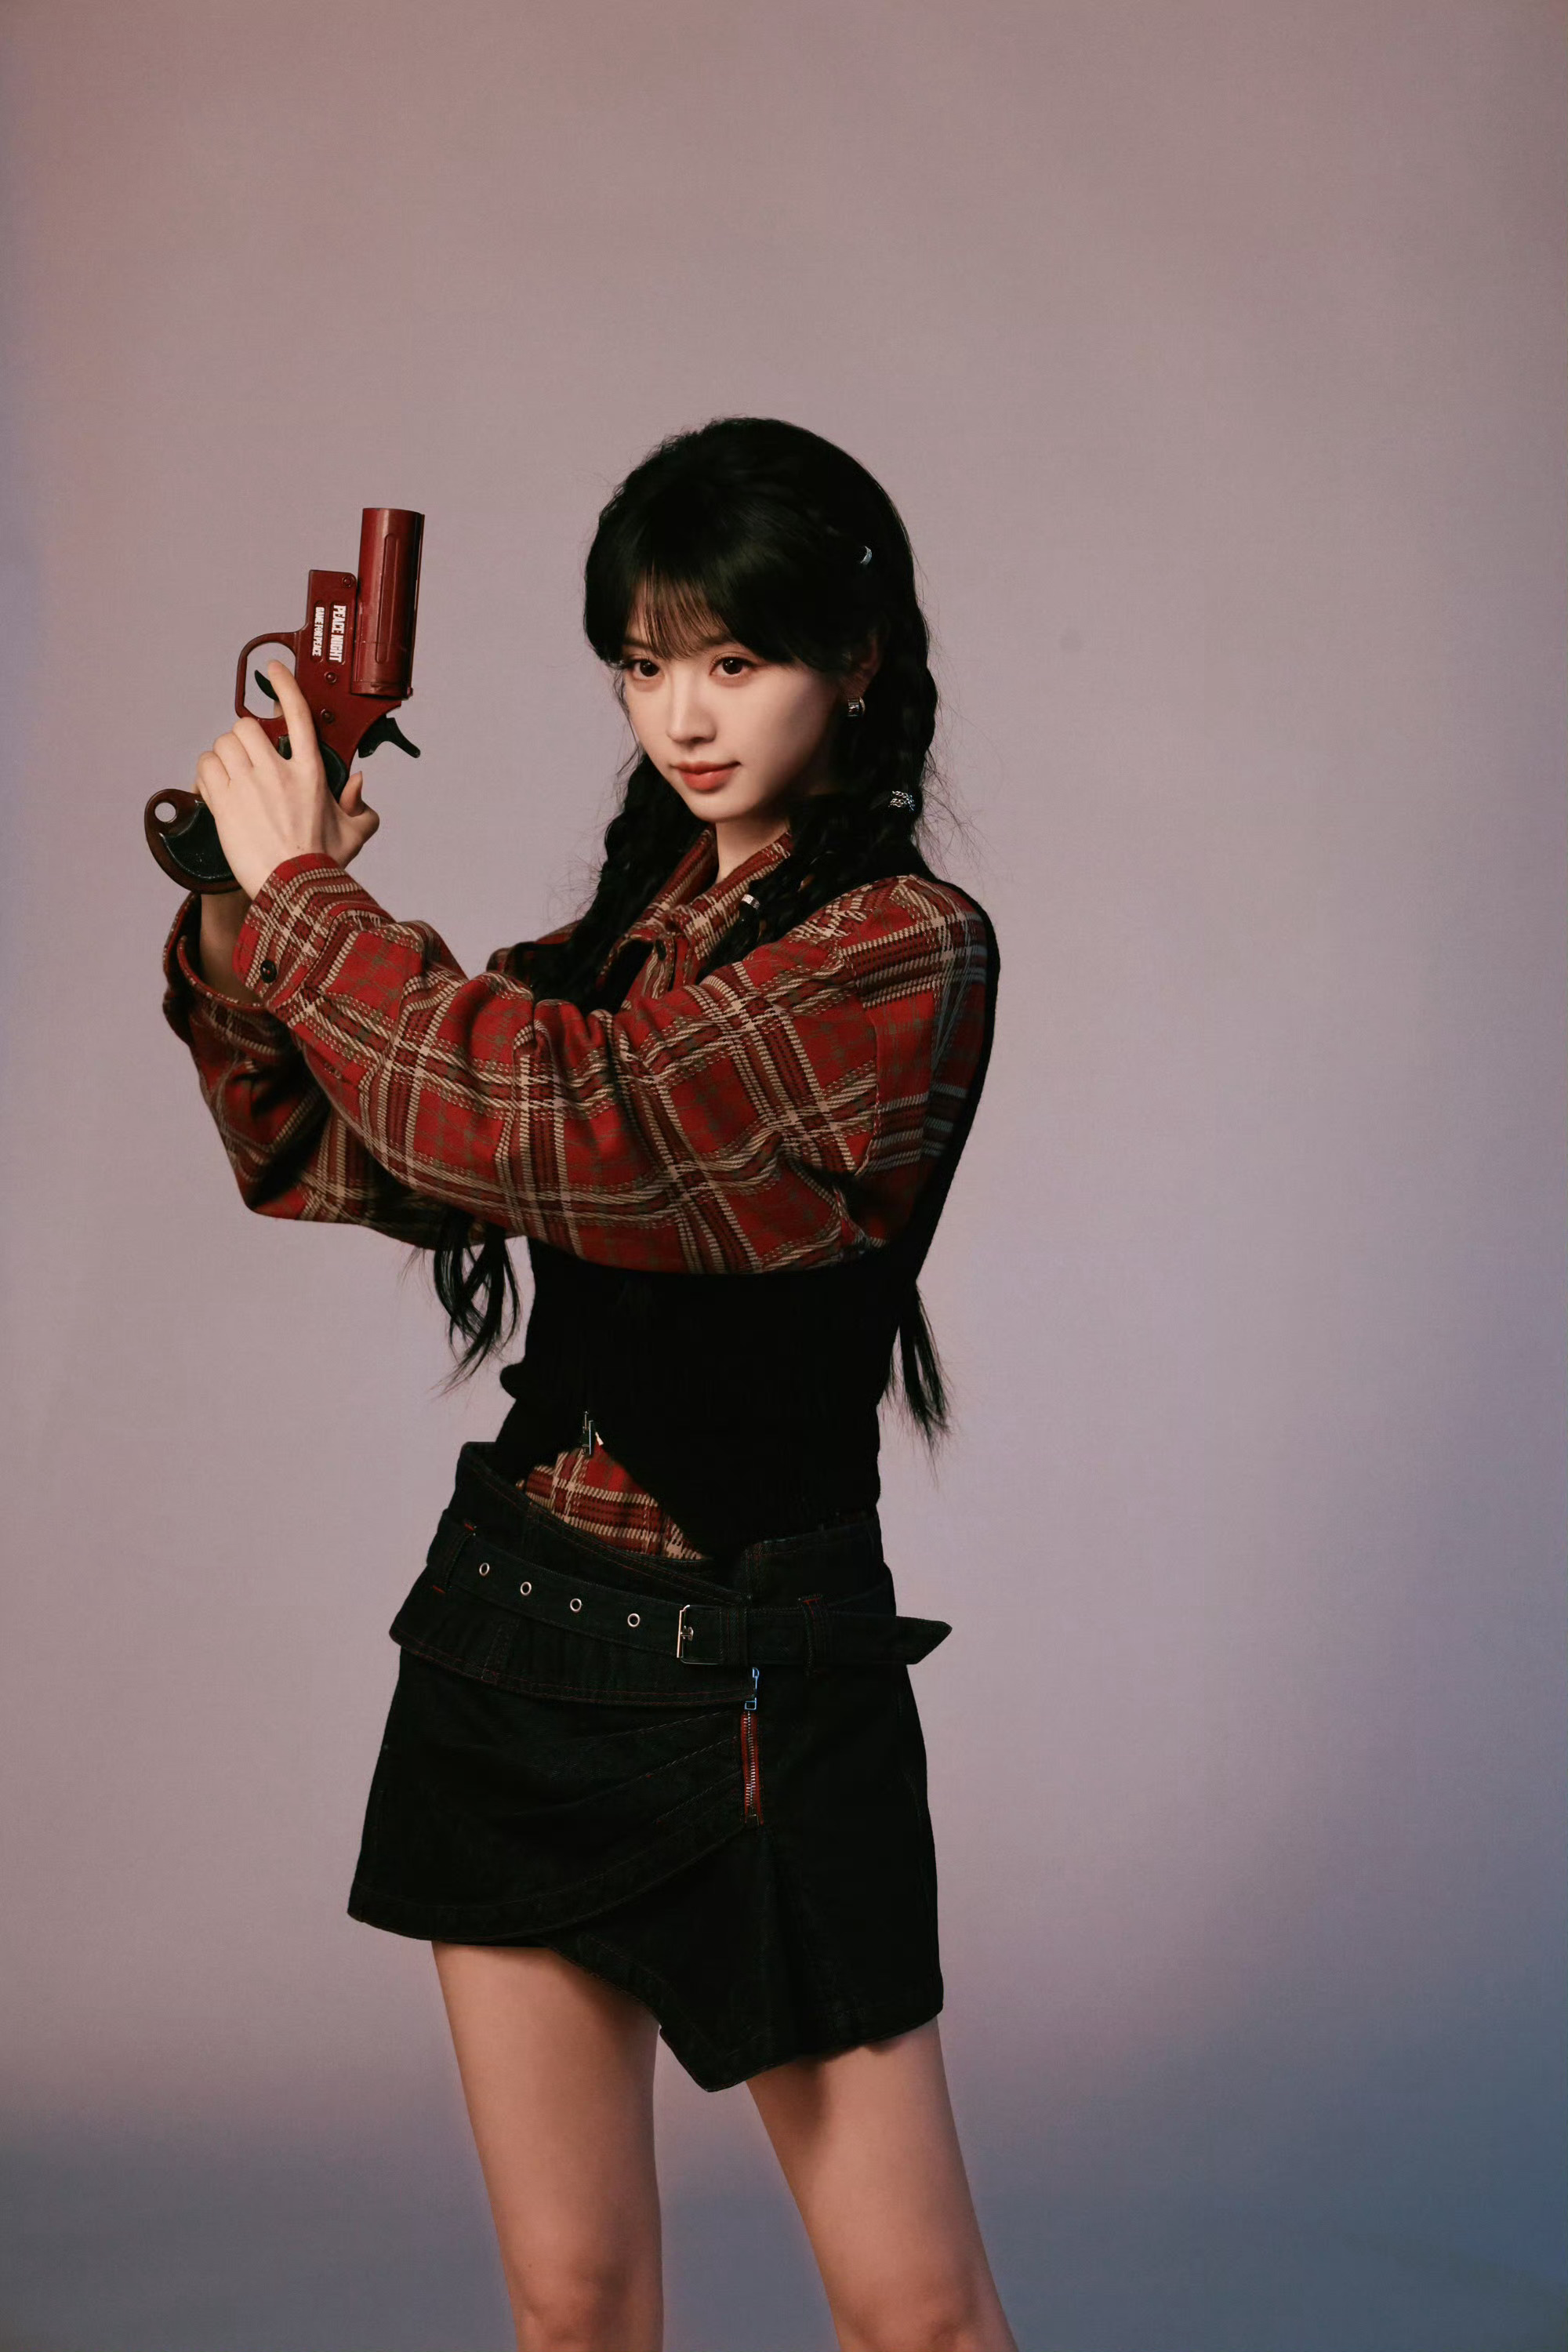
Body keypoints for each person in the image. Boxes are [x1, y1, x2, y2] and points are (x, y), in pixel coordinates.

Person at [162, 416, 1011, 2352]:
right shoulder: (622, 945)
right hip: (512, 1647)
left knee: (917, 2317)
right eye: (642, 665)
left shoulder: (903, 954)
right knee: (570, 2305)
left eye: (735, 659)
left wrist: (311, 911)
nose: (682, 716)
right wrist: (236, 907)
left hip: (755, 1683)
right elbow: (343, 1144)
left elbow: (569, 1126)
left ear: (856, 660)